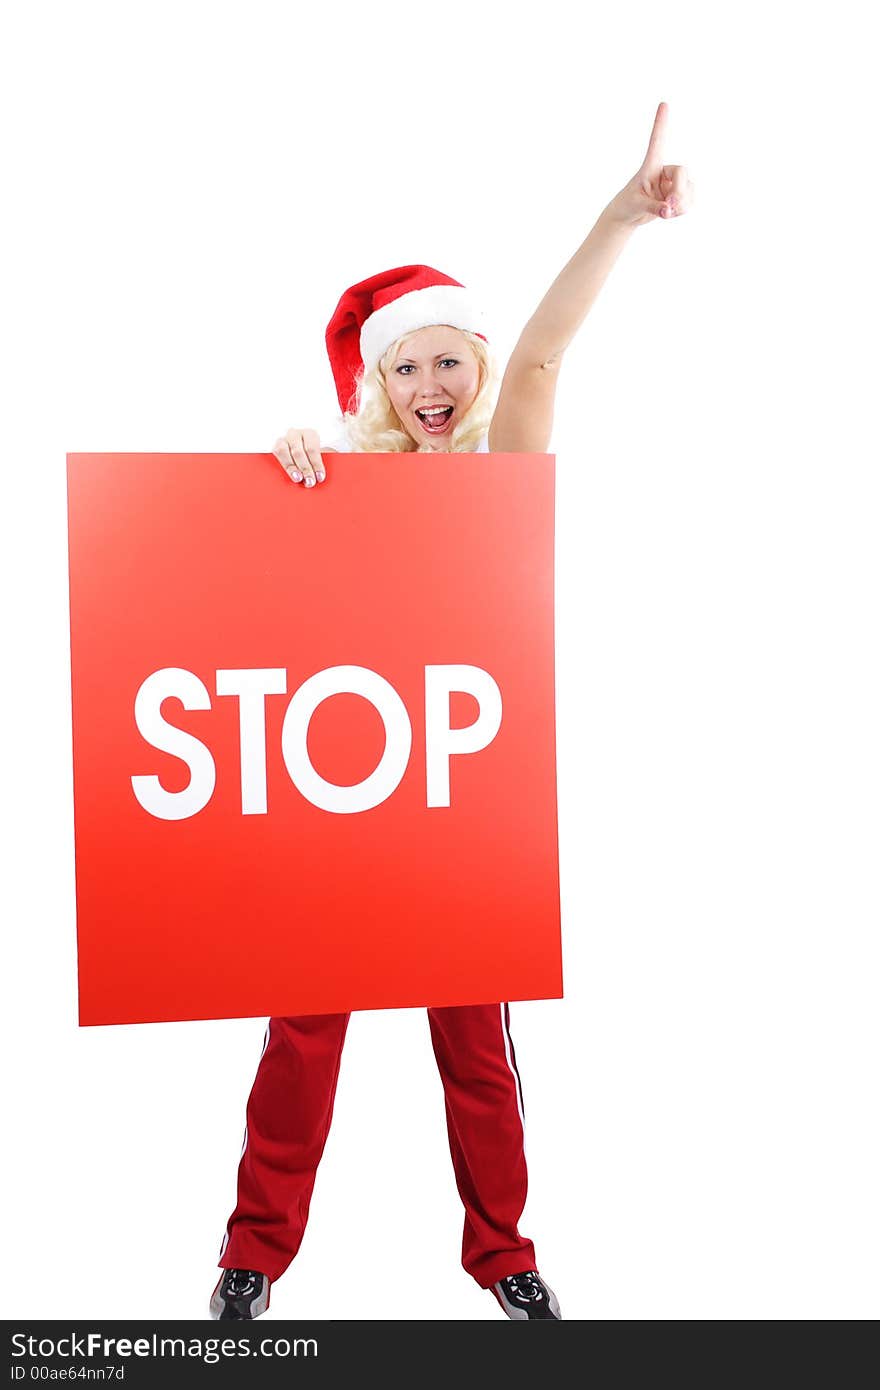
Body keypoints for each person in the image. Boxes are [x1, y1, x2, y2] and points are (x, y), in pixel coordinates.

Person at [210, 102, 692, 1322]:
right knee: (299, 1038)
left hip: (454, 810)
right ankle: (251, 1261)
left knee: (475, 1047)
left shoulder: (500, 469)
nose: (430, 385)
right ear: (377, 378)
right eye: (404, 365)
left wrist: (618, 216)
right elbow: (260, 600)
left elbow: (542, 356)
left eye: (447, 359)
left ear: (476, 370)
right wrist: (285, 465)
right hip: (344, 806)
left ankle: (505, 1254)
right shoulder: (343, 478)